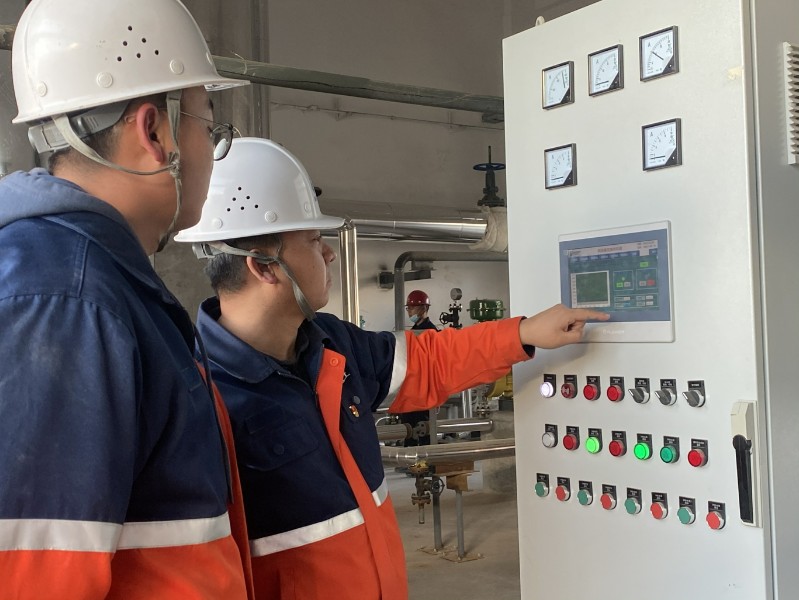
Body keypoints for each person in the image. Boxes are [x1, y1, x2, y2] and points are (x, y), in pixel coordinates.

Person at [175, 137, 609, 600]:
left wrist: (523, 333)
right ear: (264, 267)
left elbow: (429, 362)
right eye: (314, 240)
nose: (329, 254)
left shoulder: (332, 344)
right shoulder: (198, 397)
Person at [0, 1, 254, 598]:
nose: (210, 150)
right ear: (154, 132)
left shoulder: (90, 281)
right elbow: (35, 578)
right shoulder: (67, 302)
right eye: (208, 127)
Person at [400, 290, 438, 446]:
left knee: (423, 425)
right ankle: (409, 454)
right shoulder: (413, 331)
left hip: (425, 386)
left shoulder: (431, 331)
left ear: (424, 308)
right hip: (412, 384)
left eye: (412, 307)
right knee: (408, 424)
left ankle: (425, 456)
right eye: (408, 308)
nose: (409, 311)